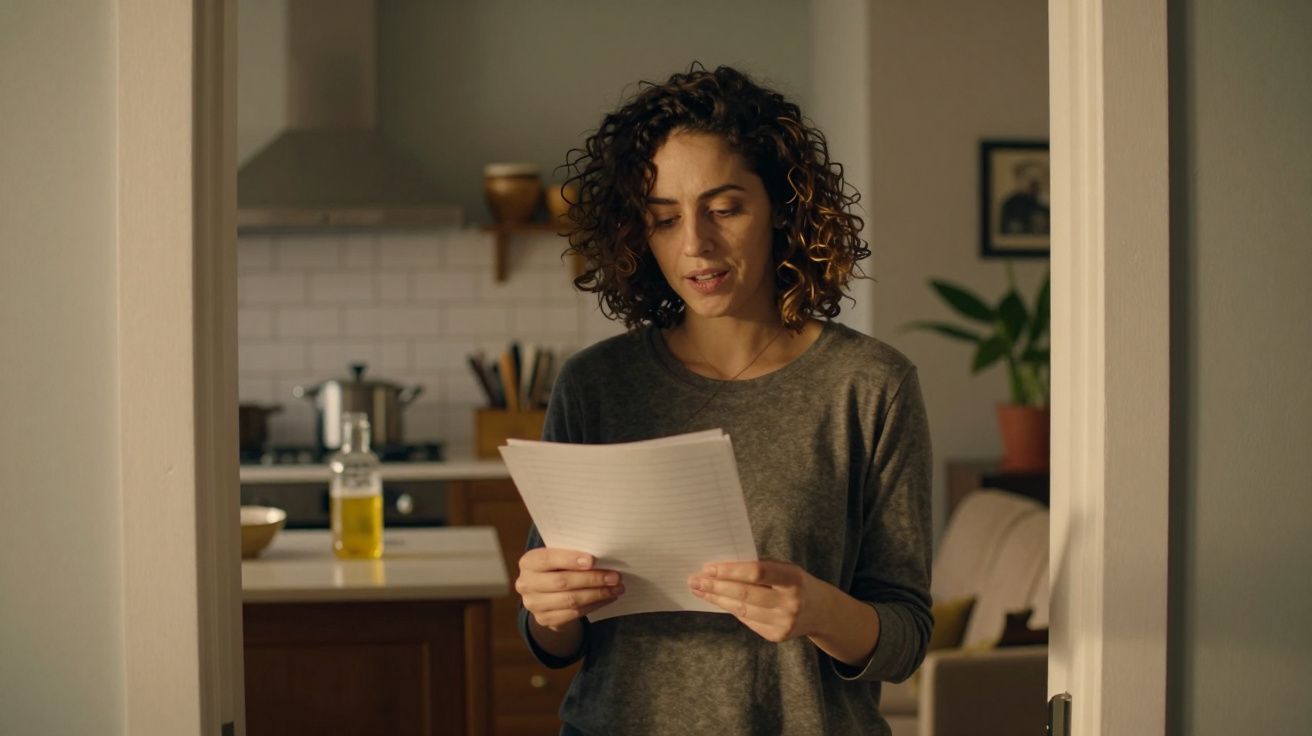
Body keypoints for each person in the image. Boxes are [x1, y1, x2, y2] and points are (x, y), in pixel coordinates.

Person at [514, 64, 933, 735]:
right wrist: (547, 608)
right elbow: (558, 642)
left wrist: (821, 610)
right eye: (663, 218)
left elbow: (906, 637)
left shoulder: (870, 385)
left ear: (783, 207)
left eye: (725, 208)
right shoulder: (595, 386)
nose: (695, 245)